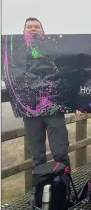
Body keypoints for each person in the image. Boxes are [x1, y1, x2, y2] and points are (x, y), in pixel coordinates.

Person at [22, 17, 70, 170]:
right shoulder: (15, 55)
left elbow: (68, 70)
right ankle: (38, 190)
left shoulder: (54, 50)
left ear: (43, 32)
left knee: (61, 152)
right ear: (23, 32)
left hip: (53, 107)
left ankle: (65, 189)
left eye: (37, 26)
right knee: (37, 156)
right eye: (29, 27)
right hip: (29, 109)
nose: (33, 29)